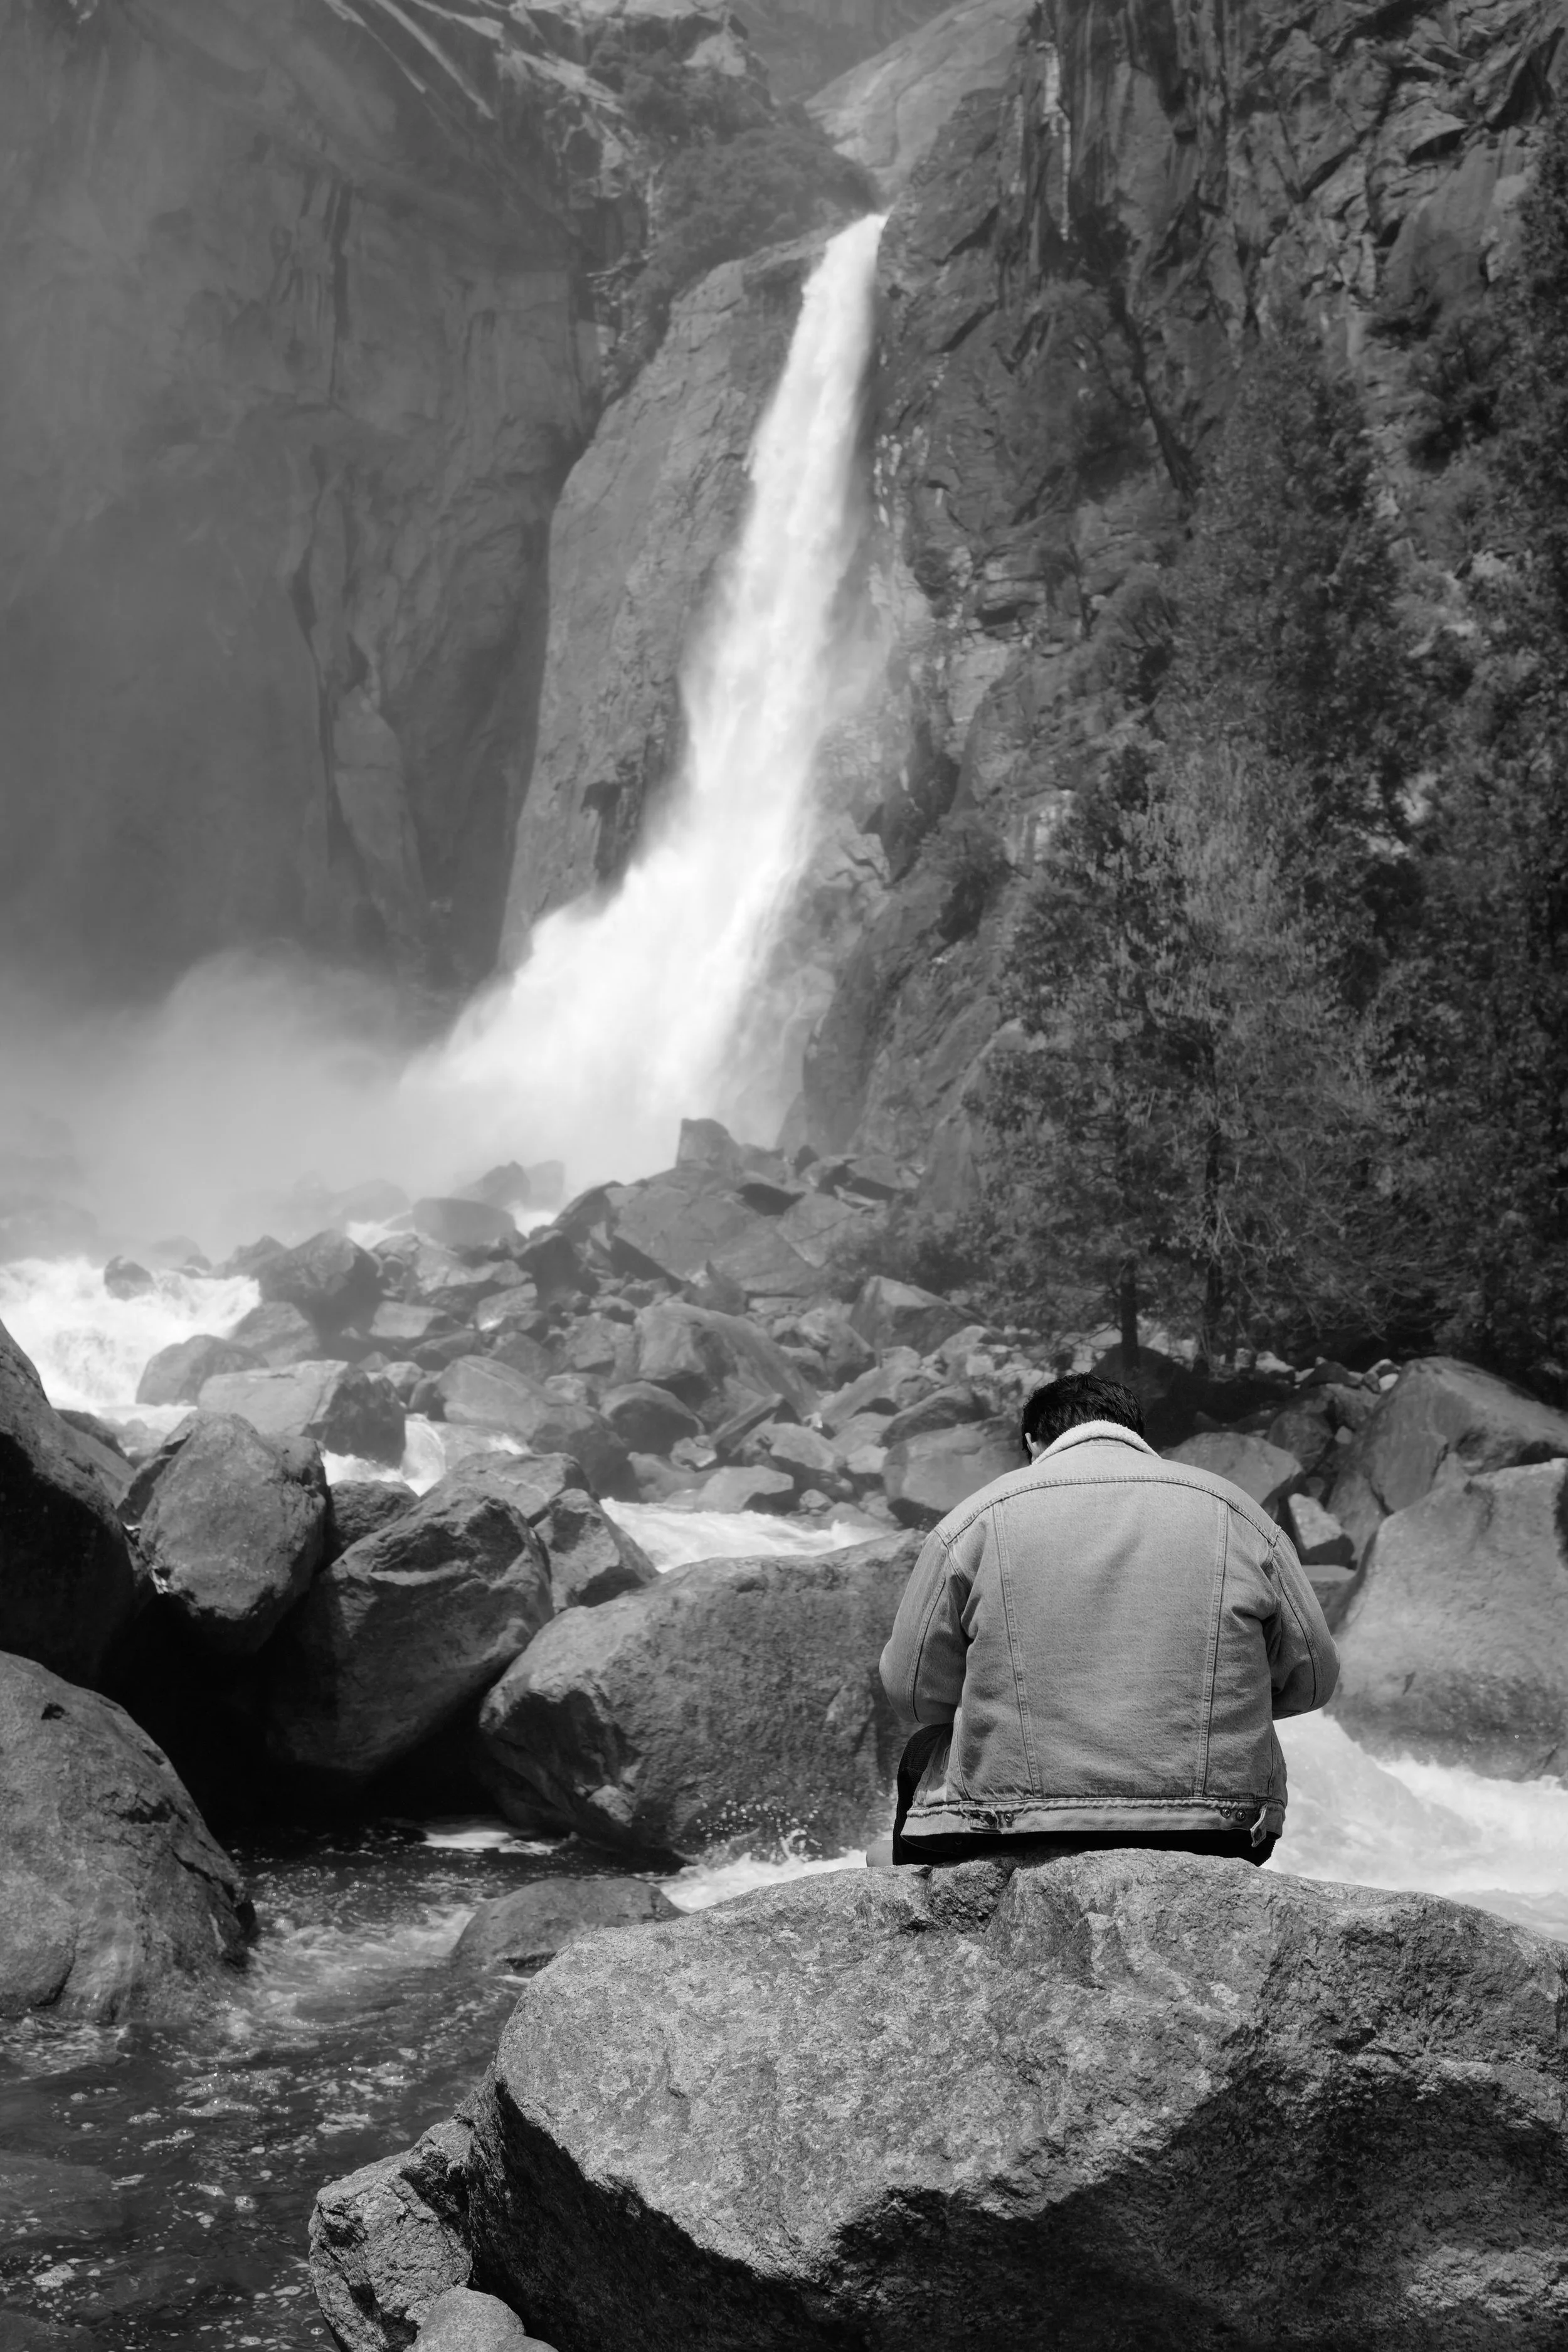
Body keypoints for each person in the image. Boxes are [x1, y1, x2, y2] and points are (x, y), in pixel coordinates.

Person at [874, 1371, 1338, 1867]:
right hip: (1219, 1828)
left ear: (1033, 1442)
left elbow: (914, 1693)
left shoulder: (975, 1517)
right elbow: (1313, 1680)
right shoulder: (1237, 1511)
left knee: (923, 1751)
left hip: (1011, 1825)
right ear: (1136, 1436)